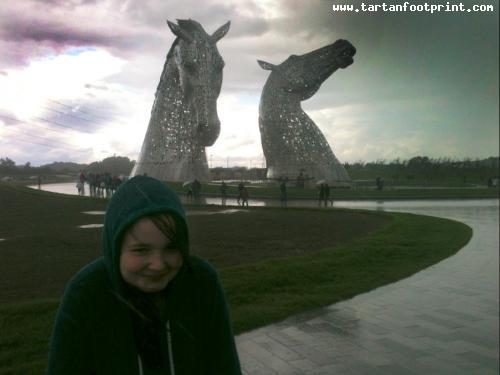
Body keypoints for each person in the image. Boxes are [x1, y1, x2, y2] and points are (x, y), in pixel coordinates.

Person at [47, 175, 241, 374]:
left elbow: (224, 365)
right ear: (115, 249)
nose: (157, 265)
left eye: (171, 248)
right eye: (141, 250)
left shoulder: (201, 281)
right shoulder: (86, 293)